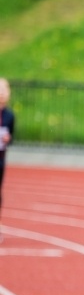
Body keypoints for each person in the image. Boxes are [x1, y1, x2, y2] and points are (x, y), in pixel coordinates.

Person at [0, 78, 15, 243]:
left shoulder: (10, 115)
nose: (1, 93)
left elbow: (12, 136)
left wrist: (8, 138)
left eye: (4, 90)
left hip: (1, 158)